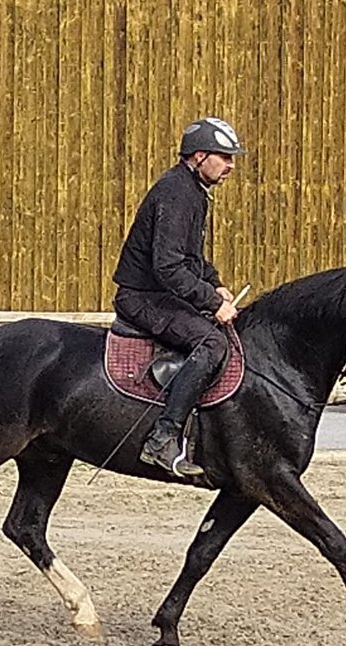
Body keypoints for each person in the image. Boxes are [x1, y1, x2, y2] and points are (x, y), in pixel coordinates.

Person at [112, 116, 244, 477]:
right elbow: (168, 267)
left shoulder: (192, 191)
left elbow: (191, 258)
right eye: (225, 157)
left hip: (158, 293)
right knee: (212, 345)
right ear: (200, 156)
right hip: (142, 298)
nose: (231, 165)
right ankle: (163, 436)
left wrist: (214, 283)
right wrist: (213, 303)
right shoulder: (177, 193)